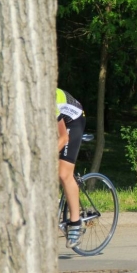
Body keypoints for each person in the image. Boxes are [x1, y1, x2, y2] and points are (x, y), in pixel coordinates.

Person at [57, 88, 87, 248]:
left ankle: (75, 222)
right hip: (58, 122)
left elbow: (63, 137)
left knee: (63, 174)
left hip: (73, 121)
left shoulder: (47, 101)